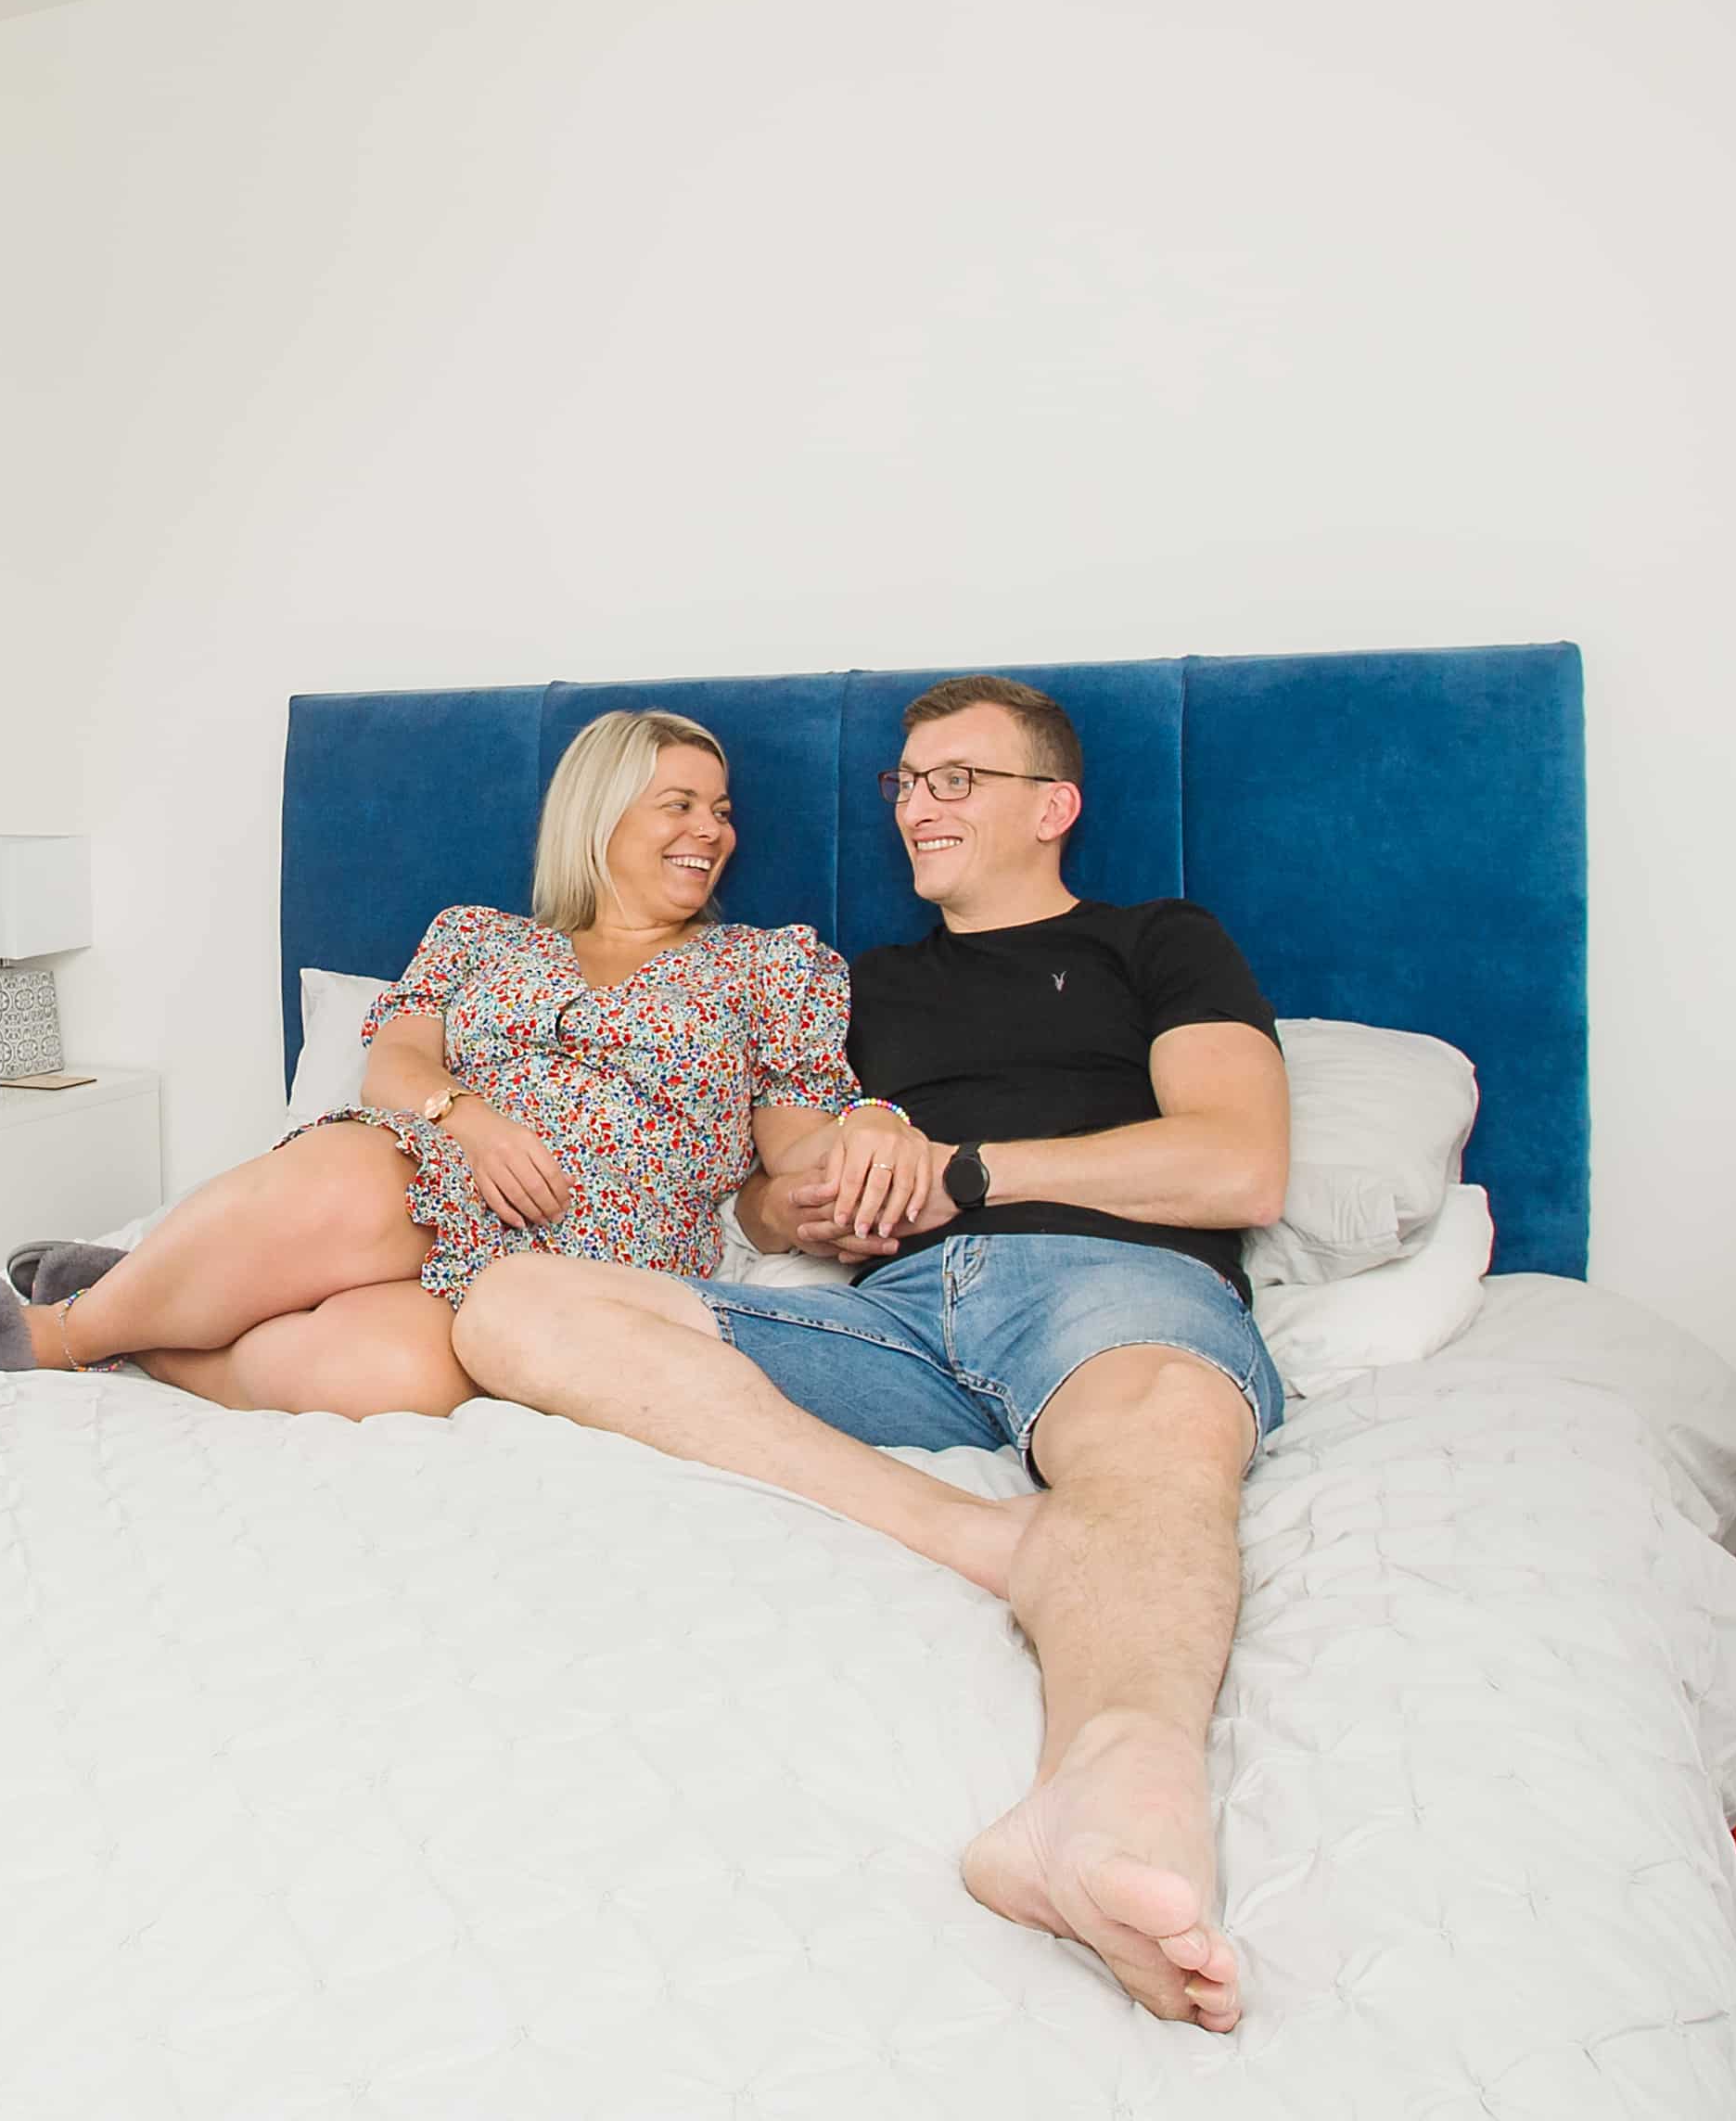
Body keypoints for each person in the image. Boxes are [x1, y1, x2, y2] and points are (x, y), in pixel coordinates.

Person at [449, 673, 1292, 2037]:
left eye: (957, 778)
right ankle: (988, 1541)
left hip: (1105, 1286)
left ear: (1053, 806)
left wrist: (966, 1172)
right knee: (511, 1306)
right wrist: (818, 1198)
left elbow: (1241, 1162)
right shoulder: (851, 985)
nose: (917, 804)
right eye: (906, 781)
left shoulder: (1158, 940)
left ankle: (1119, 1800)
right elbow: (763, 1198)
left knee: (1156, 1441)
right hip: (893, 1315)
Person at [0, 711, 1019, 1542]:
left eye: (719, 813)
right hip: (420, 1159)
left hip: (582, 1260)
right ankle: (52, 1333)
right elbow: (395, 1058)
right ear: (600, 810)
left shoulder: (765, 967)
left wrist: (863, 1156)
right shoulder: (477, 937)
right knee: (338, 1186)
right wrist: (465, 1121)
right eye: (679, 803)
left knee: (361, 1373)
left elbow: (800, 1141)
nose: (709, 832)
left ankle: (148, 1310)